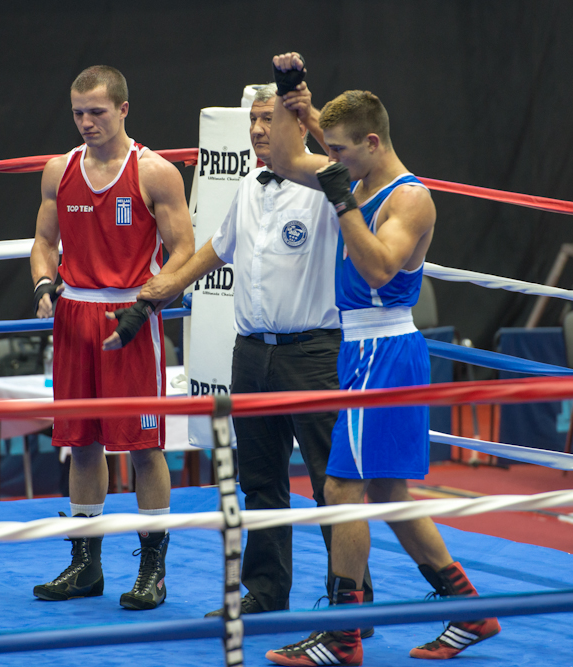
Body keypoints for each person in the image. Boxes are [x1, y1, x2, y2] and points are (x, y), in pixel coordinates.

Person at [263, 53, 500, 666]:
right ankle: (470, 611)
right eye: (331, 148)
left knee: (343, 485)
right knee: (388, 489)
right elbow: (289, 158)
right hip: (361, 349)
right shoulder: (358, 176)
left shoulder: (409, 199)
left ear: (371, 142)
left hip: (385, 348)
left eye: (340, 150)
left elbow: (376, 266)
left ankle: (344, 635)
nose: (331, 158)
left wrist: (341, 199)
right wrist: (293, 97)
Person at [137, 83, 374, 620]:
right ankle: (266, 595)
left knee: (330, 484)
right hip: (252, 355)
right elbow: (214, 250)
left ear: (293, 125)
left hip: (313, 351)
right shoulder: (248, 185)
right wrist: (159, 290)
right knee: (261, 481)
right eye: (254, 121)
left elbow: (354, 172)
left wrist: (307, 116)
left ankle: (352, 601)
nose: (260, 130)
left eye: (271, 119)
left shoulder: (325, 182)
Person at [29, 65, 195, 610]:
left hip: (131, 319)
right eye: (78, 113)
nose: (86, 123)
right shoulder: (59, 170)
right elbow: (42, 241)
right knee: (81, 444)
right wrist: (45, 283)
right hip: (73, 314)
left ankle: (153, 571)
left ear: (124, 109)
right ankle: (84, 565)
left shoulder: (155, 173)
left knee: (144, 447)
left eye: (97, 112)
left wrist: (146, 303)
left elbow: (185, 257)